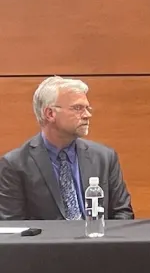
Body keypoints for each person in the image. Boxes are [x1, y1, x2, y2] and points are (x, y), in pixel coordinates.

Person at [0, 76, 134, 220]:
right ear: (50, 114)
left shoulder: (104, 158)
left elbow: (123, 214)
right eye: (77, 108)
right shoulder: (15, 165)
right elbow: (13, 228)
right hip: (48, 241)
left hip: (99, 239)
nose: (87, 115)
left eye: (87, 108)